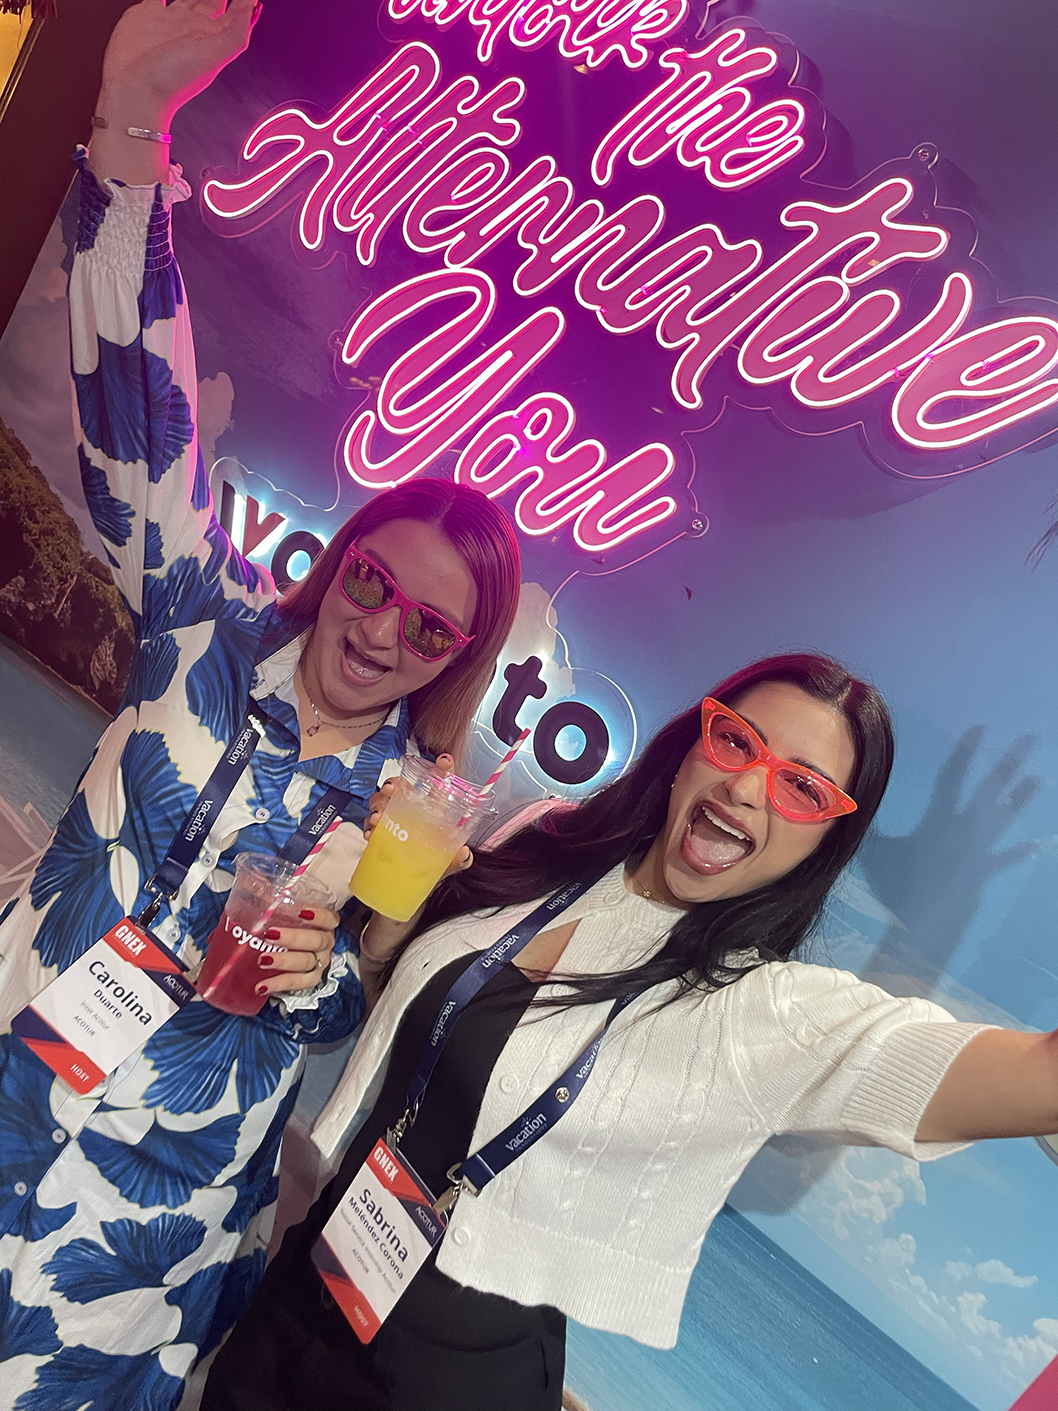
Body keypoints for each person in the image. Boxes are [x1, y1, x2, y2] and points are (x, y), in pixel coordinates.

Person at [0, 2, 520, 1407]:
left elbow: (348, 1006)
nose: (383, 628)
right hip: (14, 1056)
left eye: (430, 627)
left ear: (455, 657)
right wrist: (129, 134)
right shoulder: (200, 632)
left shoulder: (412, 811)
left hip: (153, 1214)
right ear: (338, 564)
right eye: (372, 581)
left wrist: (331, 969)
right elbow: (139, 426)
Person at [202, 653, 1058, 1411]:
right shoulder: (549, 842)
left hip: (447, 1377)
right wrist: (390, 922)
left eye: (802, 787)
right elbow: (410, 1019)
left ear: (829, 840)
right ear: (692, 744)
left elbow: (1036, 1081)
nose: (747, 787)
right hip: (309, 1283)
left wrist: (946, 927)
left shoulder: (765, 1012)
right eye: (737, 741)